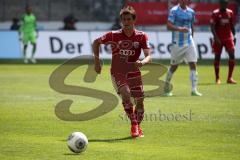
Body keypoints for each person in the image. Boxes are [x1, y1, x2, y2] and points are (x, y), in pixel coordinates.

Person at [92, 6, 151, 138]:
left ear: (134, 20)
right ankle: (134, 125)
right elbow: (96, 43)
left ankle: (138, 126)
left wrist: (142, 62)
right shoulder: (113, 35)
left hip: (134, 72)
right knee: (126, 93)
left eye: (128, 19)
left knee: (140, 101)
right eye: (123, 19)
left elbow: (148, 55)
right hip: (118, 72)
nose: (126, 22)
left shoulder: (141, 37)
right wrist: (97, 62)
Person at [164, 0, 202, 96]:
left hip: (189, 41)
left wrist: (192, 37)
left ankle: (194, 90)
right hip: (177, 43)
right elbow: (168, 26)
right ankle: (166, 87)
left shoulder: (191, 12)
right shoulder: (174, 10)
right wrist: (180, 29)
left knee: (193, 63)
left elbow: (191, 25)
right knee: (174, 66)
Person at [210, 0, 237, 84]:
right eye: (223, 3)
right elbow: (212, 26)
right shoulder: (215, 13)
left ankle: (230, 78)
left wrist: (234, 36)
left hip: (228, 38)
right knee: (217, 57)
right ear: (220, 3)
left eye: (226, 3)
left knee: (232, 55)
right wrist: (216, 38)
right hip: (219, 38)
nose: (224, 4)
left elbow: (231, 25)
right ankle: (217, 78)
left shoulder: (230, 12)